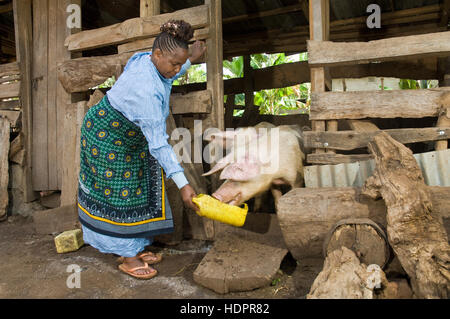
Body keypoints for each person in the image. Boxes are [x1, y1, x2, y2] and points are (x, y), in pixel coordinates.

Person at [77, 20, 205, 279]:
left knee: (139, 187)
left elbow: (168, 74)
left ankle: (133, 246)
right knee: (120, 196)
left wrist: (189, 60)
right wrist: (183, 184)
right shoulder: (145, 90)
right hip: (105, 137)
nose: (177, 70)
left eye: (180, 65)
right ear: (157, 54)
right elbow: (158, 144)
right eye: (174, 64)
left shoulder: (147, 59)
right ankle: (128, 256)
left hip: (128, 136)